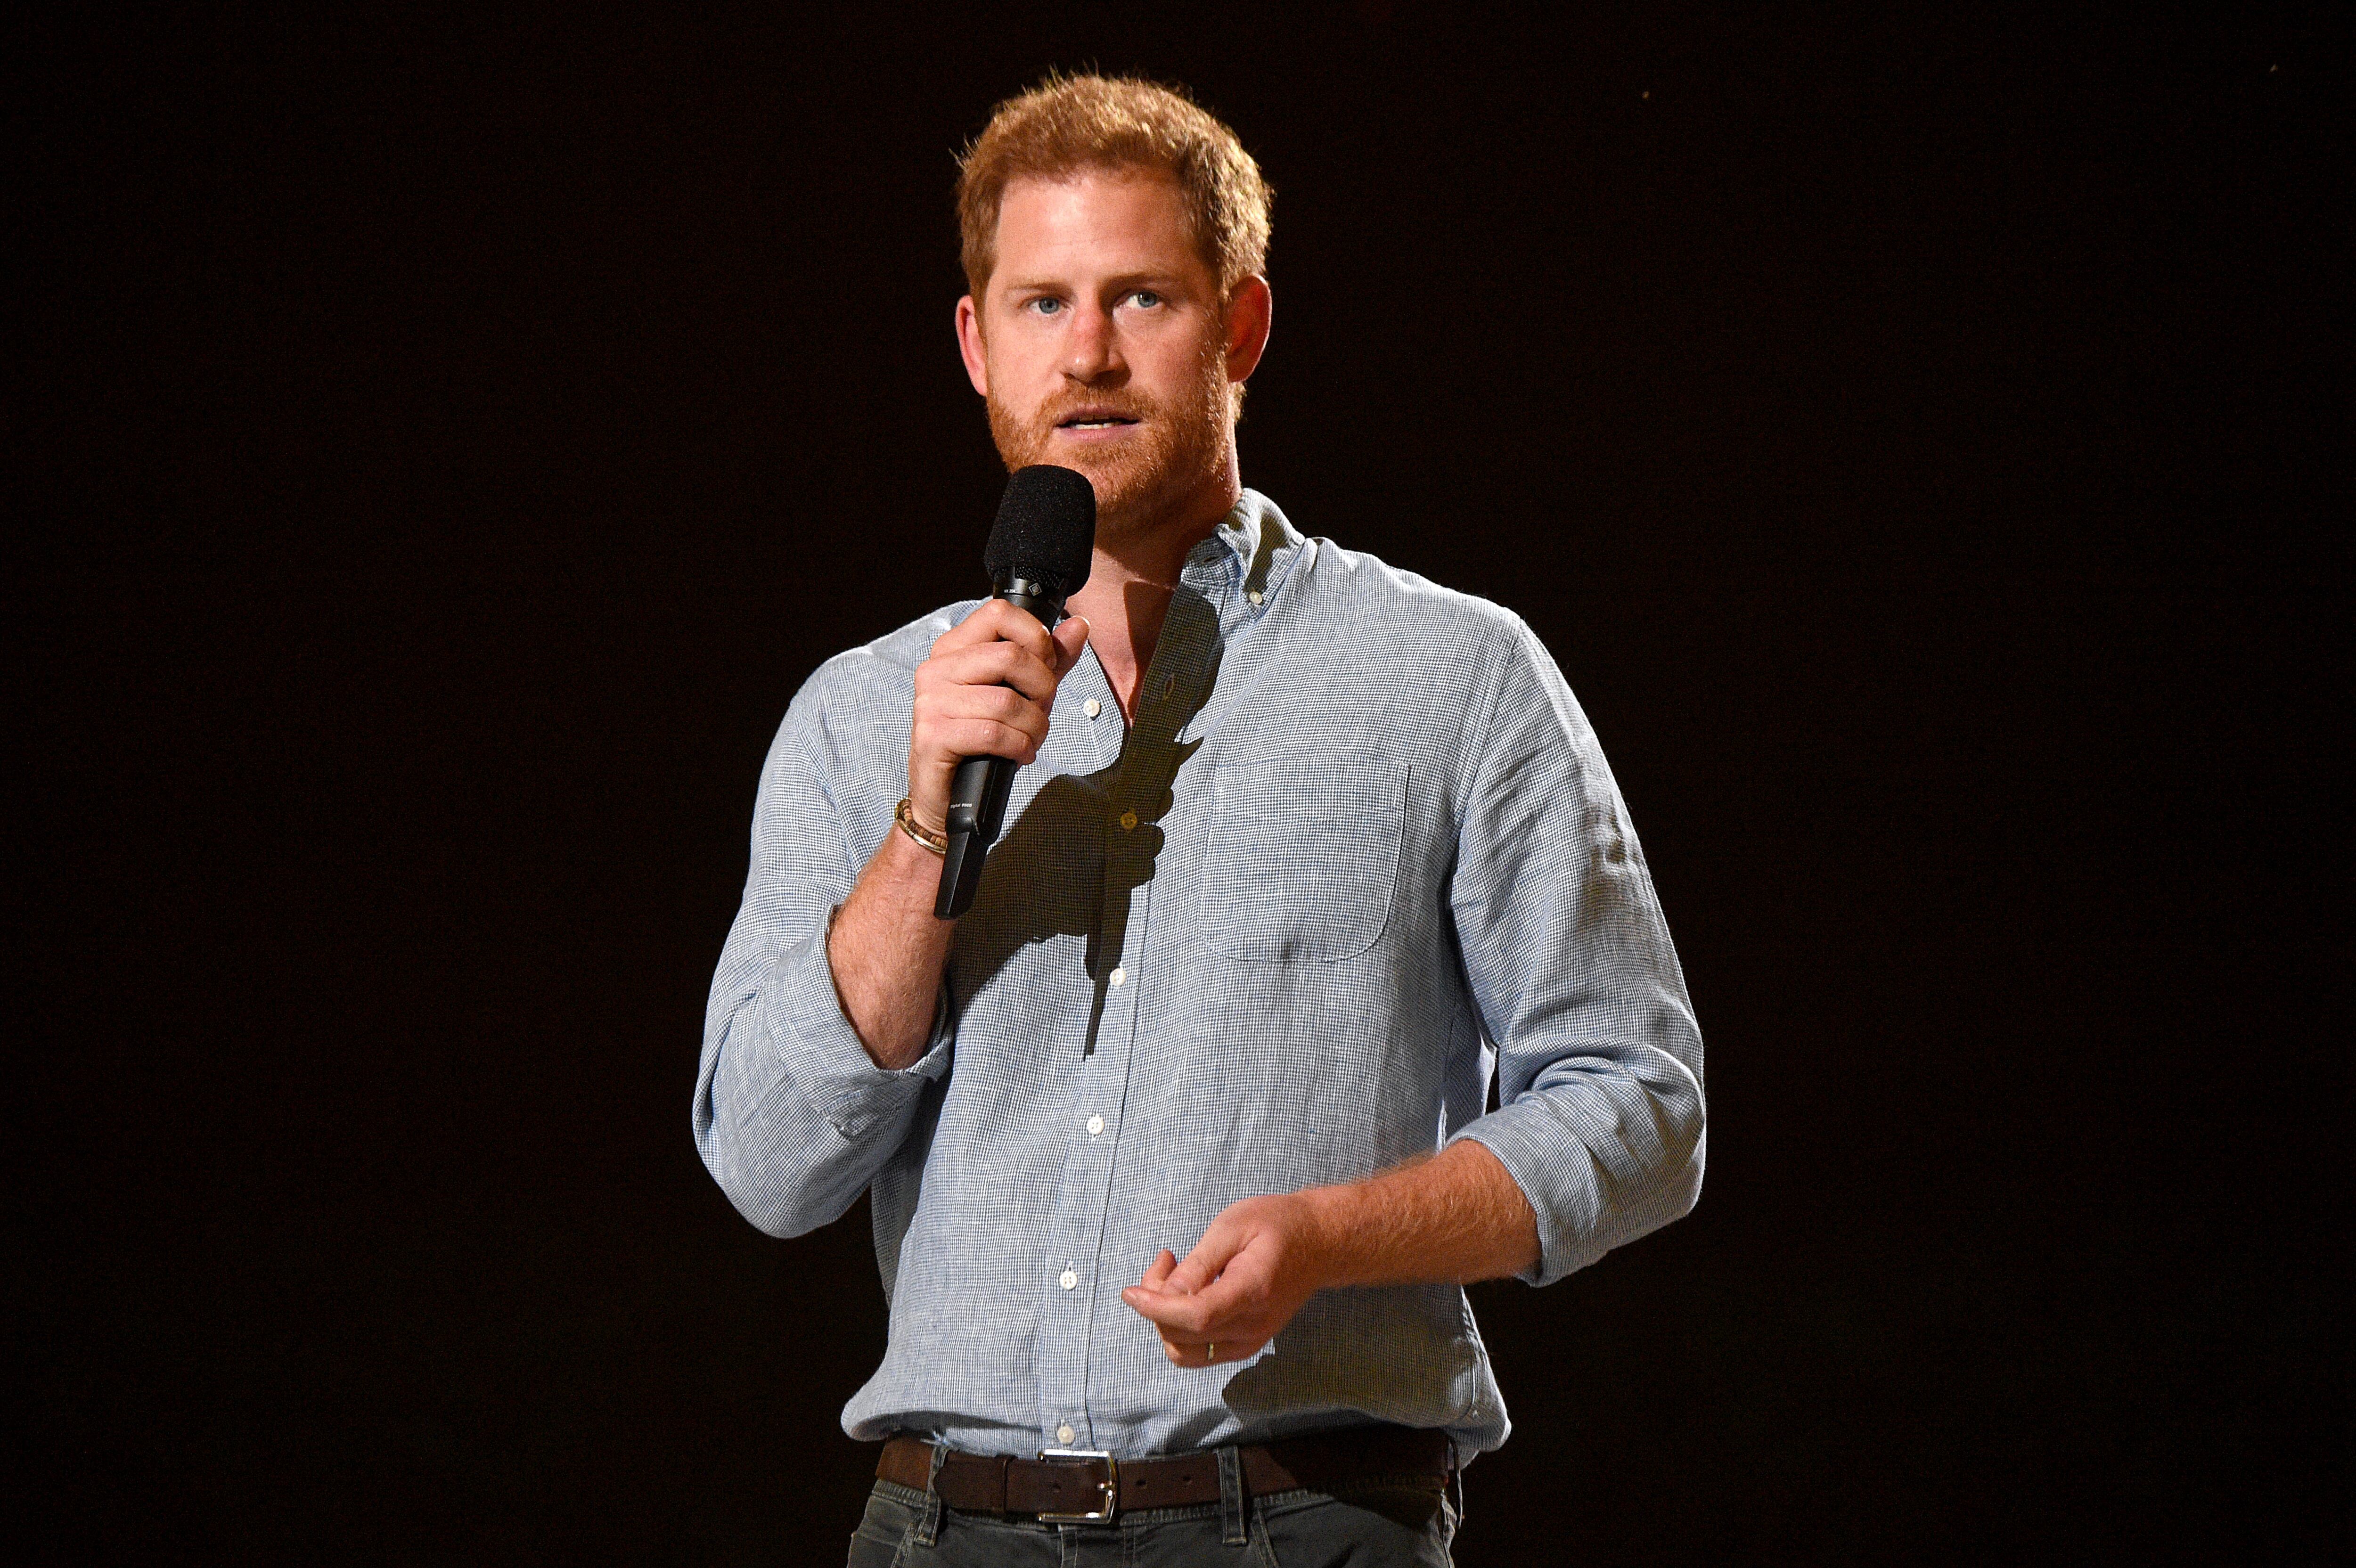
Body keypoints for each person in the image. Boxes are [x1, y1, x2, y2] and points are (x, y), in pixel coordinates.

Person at [695, 74, 1705, 1566]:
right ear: (976, 343)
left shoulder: (1452, 675)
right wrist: (924, 833)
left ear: (1242, 327)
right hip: (941, 1528)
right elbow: (772, 1166)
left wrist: (1328, 1240)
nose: (1088, 354)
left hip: (1302, 1525)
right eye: (1041, 304)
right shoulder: (871, 714)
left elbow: (1639, 1104)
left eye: (1143, 298)